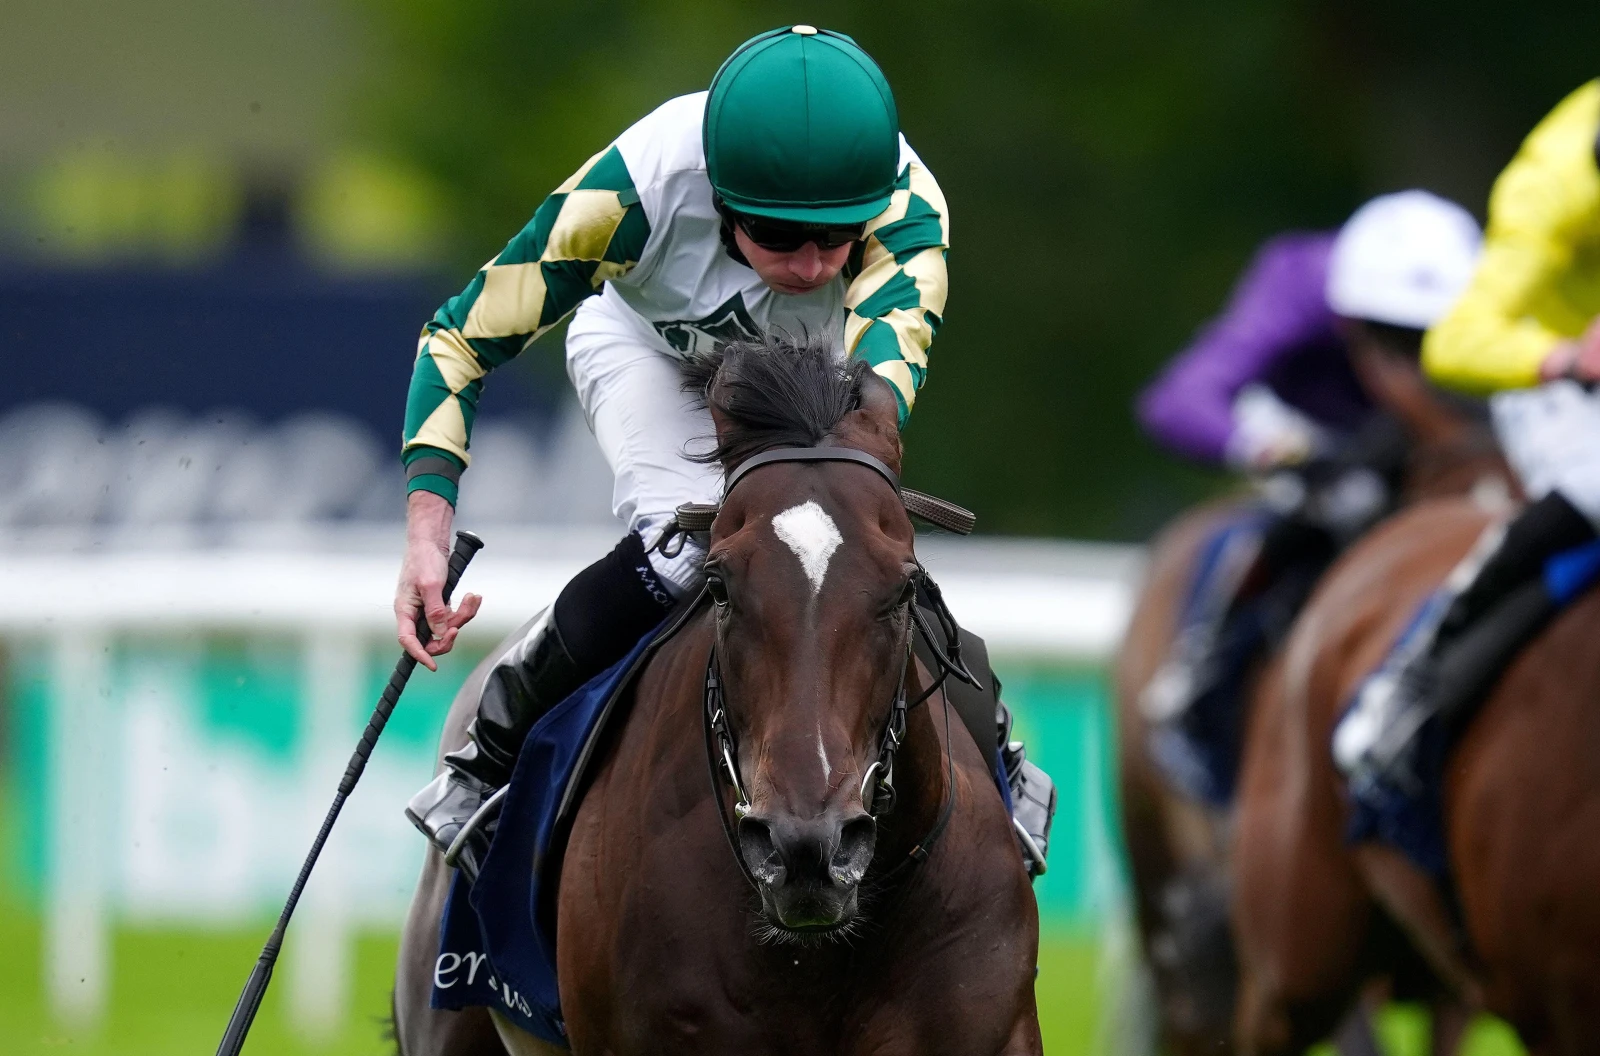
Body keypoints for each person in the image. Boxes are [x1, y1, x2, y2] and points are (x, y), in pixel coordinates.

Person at [396, 26, 1054, 880]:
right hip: (649, 353)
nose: (814, 266)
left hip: (814, 382)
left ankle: (996, 755)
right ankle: (489, 751)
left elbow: (876, 414)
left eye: (837, 240)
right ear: (720, 200)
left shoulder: (907, 208)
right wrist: (426, 530)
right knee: (686, 552)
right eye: (781, 237)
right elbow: (459, 338)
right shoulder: (633, 194)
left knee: (855, 549)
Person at [1135, 191, 1483, 803]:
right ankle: (1203, 698)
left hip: (1432, 449)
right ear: (1349, 322)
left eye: (1427, 338)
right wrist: (1269, 447)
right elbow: (1178, 399)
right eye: (1390, 338)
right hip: (1314, 447)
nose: (1411, 360)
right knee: (1279, 533)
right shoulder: (1298, 280)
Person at [1337, 80, 1600, 788]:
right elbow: (1456, 344)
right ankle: (1416, 676)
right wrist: (1568, 357)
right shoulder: (1556, 176)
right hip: (1555, 388)